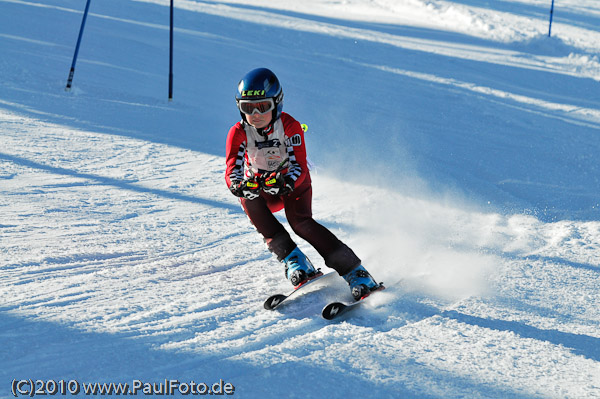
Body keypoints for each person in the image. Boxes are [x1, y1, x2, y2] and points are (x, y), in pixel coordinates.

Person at [225, 67, 380, 300]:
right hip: (264, 187)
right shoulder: (238, 132)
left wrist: (286, 182)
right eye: (248, 108)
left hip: (293, 184)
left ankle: (356, 272)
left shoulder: (289, 126)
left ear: (276, 104)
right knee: (247, 197)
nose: (256, 113)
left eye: (263, 106)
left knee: (301, 223)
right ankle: (294, 260)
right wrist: (239, 185)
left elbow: (299, 164)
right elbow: (232, 170)